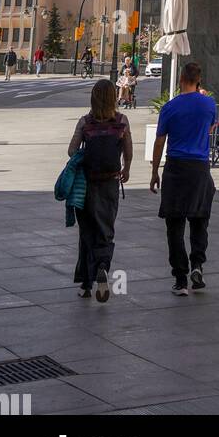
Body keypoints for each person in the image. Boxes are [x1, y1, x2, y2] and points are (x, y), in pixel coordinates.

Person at [150, 62, 217, 296]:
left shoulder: (169, 107)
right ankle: (197, 265)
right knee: (200, 220)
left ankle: (180, 279)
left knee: (174, 226)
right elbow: (209, 128)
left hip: (176, 167)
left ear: (180, 79)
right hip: (199, 168)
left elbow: (159, 141)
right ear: (198, 80)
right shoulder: (209, 103)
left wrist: (154, 172)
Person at [68, 78, 132, 300]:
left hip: (86, 183)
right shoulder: (122, 121)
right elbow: (128, 149)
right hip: (110, 183)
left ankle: (86, 283)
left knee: (87, 232)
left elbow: (71, 150)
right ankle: (103, 267)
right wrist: (127, 168)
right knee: (105, 228)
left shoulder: (85, 122)